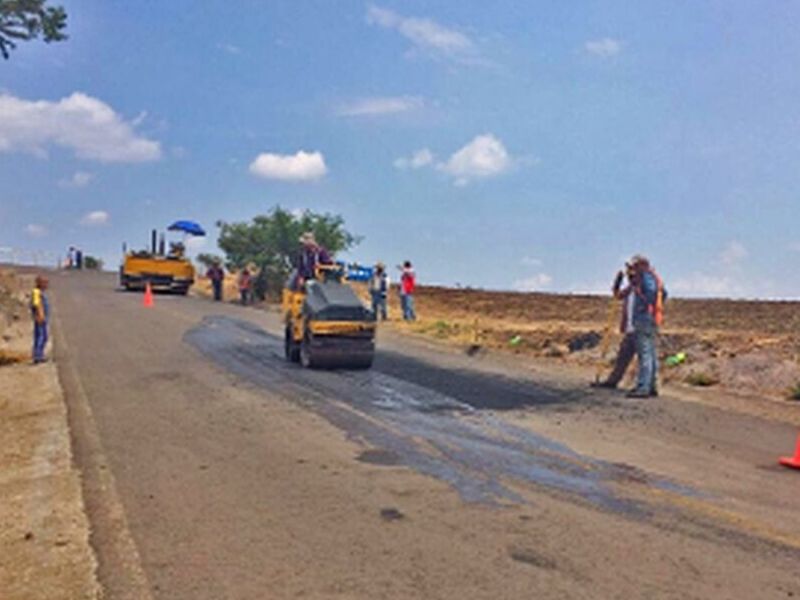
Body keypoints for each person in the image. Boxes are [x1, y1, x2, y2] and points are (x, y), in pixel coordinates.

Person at [591, 263, 638, 389]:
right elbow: (617, 296)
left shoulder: (644, 289)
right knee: (622, 357)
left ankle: (646, 385)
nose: (630, 277)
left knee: (644, 360)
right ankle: (612, 381)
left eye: (632, 274)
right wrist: (617, 283)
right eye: (629, 275)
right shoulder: (630, 289)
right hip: (630, 330)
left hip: (641, 330)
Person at [626, 255, 667, 398]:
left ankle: (643, 387)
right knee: (651, 353)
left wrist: (644, 304)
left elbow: (652, 294)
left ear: (641, 265)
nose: (633, 269)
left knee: (645, 355)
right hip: (652, 318)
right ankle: (652, 386)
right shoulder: (655, 278)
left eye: (635, 266)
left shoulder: (646, 277)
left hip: (644, 318)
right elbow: (663, 294)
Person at [30, 276, 50, 364]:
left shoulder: (41, 292)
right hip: (40, 318)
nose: (46, 285)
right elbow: (36, 304)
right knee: (40, 337)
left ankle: (40, 354)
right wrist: (40, 315)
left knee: (44, 336)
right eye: (44, 283)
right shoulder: (36, 292)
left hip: (43, 317)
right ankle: (37, 356)